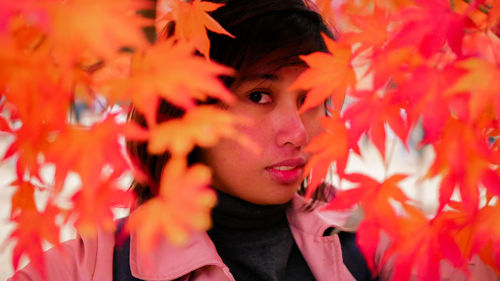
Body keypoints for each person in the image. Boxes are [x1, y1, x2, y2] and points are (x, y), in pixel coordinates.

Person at [10, 1, 385, 280]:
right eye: (258, 96)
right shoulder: (96, 267)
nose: (298, 133)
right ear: (186, 107)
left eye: (309, 100)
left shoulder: (371, 251)